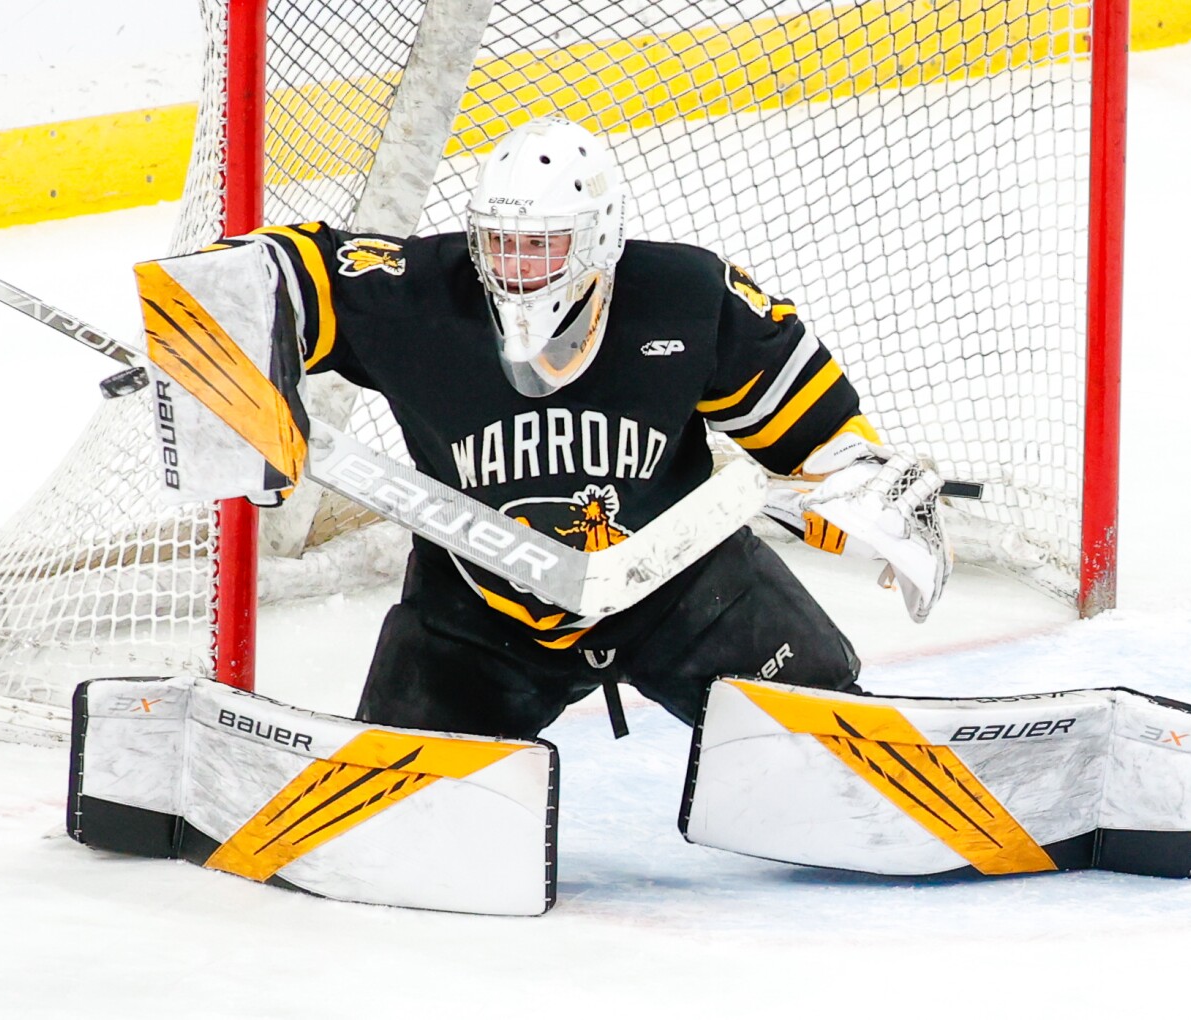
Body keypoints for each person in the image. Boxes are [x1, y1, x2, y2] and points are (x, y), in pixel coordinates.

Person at [217, 117, 949, 740]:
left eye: (541, 246)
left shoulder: (686, 298)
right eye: (501, 244)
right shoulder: (424, 298)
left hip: (682, 593)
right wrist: (216, 323)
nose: (518, 269)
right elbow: (285, 269)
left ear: (599, 239)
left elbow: (821, 437)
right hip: (480, 612)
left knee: (826, 739)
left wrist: (863, 493)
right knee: (406, 803)